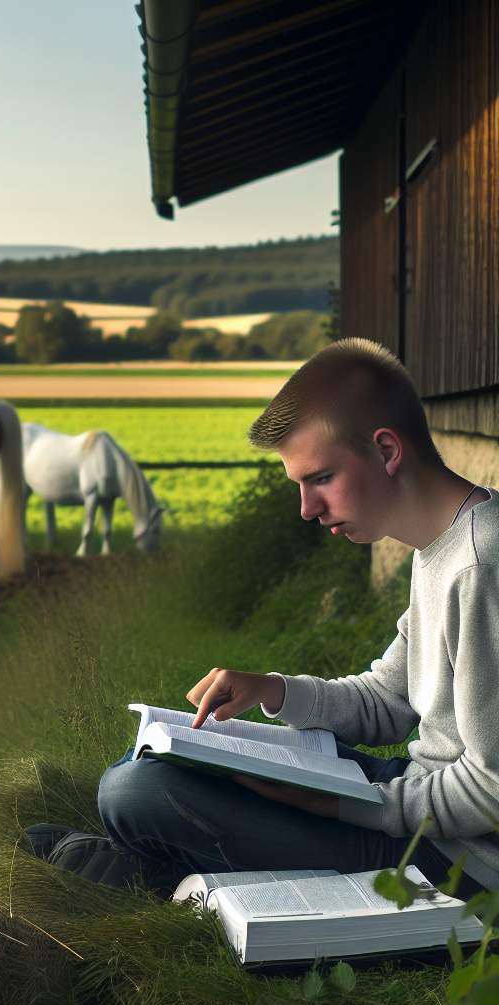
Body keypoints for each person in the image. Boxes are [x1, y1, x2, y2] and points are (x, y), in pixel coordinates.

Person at [89, 339, 498, 898]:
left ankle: (131, 870)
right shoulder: (439, 548)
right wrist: (272, 692)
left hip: (458, 857)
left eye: (320, 478)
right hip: (417, 796)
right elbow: (387, 701)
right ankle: (133, 865)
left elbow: (493, 788)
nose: (306, 508)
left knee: (134, 793)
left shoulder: (480, 563)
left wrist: (347, 805)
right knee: (158, 762)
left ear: (386, 450)